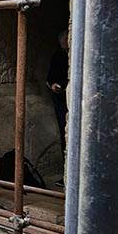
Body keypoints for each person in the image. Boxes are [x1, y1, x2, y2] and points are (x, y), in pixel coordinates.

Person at [47, 29, 69, 161]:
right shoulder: (58, 55)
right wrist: (54, 85)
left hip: (73, 97)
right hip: (61, 97)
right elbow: (50, 78)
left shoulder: (74, 54)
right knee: (64, 130)